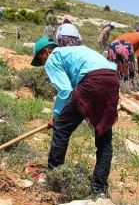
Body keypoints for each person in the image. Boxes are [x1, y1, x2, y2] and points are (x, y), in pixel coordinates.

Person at [31, 37, 120, 196]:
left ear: (46, 51)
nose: (44, 63)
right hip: (112, 78)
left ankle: (52, 176)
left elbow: (65, 91)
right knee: (104, 138)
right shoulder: (72, 52)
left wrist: (56, 116)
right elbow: (73, 89)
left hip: (93, 80)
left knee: (62, 129)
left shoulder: (53, 58)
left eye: (41, 59)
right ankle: (99, 189)